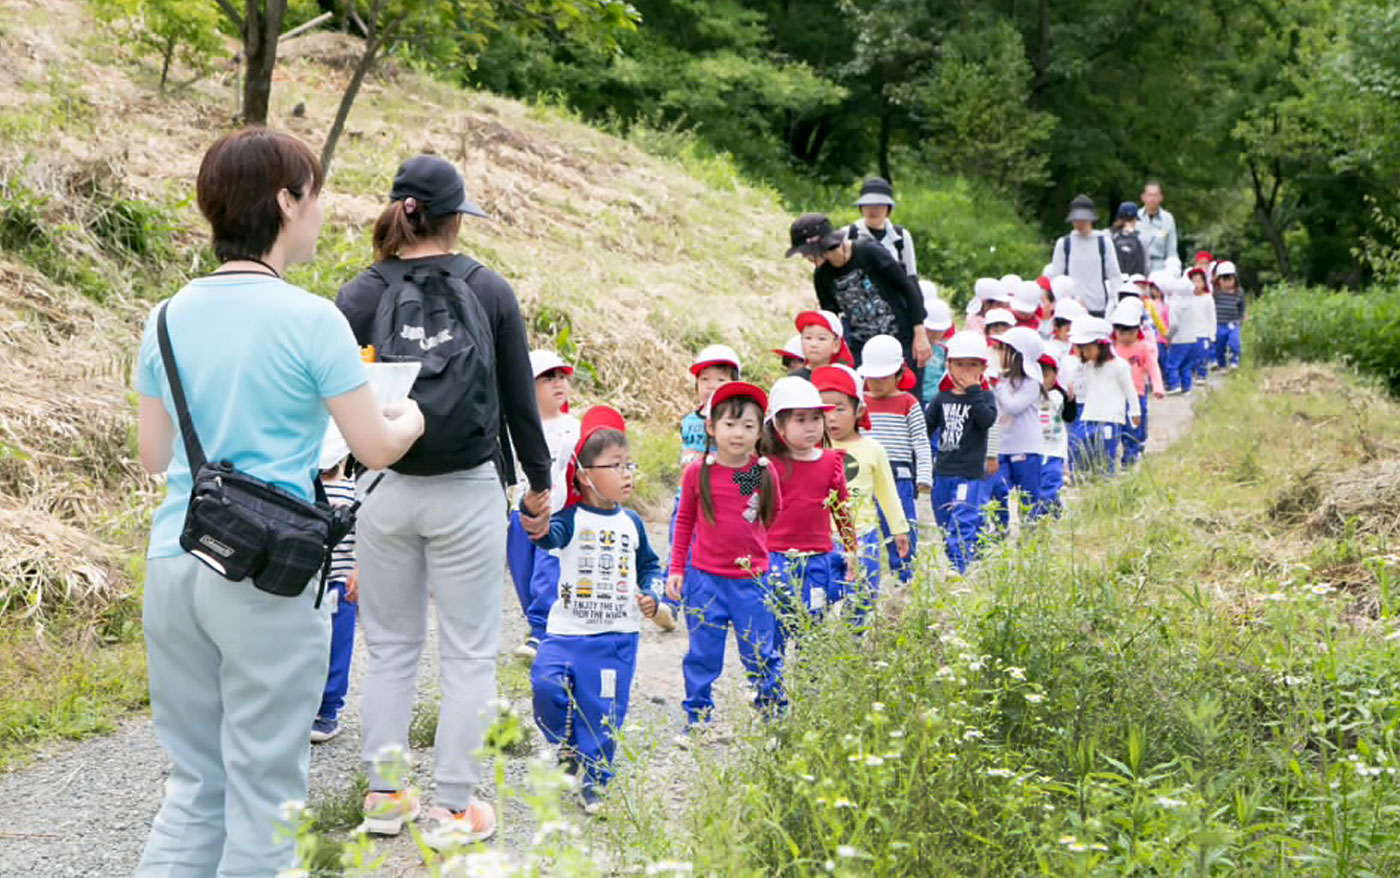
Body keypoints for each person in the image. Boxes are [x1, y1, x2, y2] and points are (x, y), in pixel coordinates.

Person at [134, 128, 424, 877]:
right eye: (315, 193)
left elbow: (154, 458)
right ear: (287, 200)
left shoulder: (164, 317)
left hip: (176, 558)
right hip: (268, 574)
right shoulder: (311, 319)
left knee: (196, 786)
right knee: (266, 794)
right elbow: (377, 445)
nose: (321, 210)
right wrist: (412, 414)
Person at [335, 154, 551, 846]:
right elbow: (522, 400)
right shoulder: (489, 290)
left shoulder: (360, 295)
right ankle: (455, 808)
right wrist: (539, 486)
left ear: (401, 212)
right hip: (467, 490)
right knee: (467, 651)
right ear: (456, 219)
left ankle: (384, 795)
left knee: (393, 647)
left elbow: (337, 407)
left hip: (384, 487)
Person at [530, 406, 664, 814]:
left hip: (615, 639)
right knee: (546, 687)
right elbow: (544, 536)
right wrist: (531, 514)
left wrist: (653, 595)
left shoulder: (634, 523)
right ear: (585, 476)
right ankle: (565, 743)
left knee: (604, 712)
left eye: (630, 465)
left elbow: (651, 566)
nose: (627, 473)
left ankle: (598, 779)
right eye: (616, 465)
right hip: (566, 633)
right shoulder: (571, 520)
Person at [667, 382, 785, 732]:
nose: (739, 433)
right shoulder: (699, 473)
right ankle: (698, 715)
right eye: (730, 425)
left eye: (749, 426)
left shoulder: (758, 471)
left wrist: (754, 545)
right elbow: (685, 522)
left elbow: (768, 511)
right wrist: (677, 570)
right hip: (705, 578)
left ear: (759, 430)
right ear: (711, 427)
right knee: (703, 653)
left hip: (751, 580)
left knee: (760, 650)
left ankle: (772, 713)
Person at [761, 376, 855, 654]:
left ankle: (809, 689)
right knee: (773, 628)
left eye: (816, 418)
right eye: (800, 420)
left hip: (817, 560)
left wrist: (851, 550)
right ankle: (771, 690)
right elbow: (740, 495)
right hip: (775, 558)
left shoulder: (830, 462)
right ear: (779, 425)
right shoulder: (766, 465)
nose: (811, 427)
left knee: (812, 629)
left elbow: (843, 509)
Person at [812, 365, 909, 622]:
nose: (831, 417)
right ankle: (813, 645)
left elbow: (887, 492)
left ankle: (854, 643)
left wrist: (899, 528)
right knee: (819, 595)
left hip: (863, 535)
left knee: (864, 595)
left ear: (859, 410)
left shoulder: (873, 449)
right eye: (823, 410)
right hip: (822, 538)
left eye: (840, 408)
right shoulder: (811, 449)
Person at [787, 212, 931, 377]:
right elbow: (831, 318)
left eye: (808, 252)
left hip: (901, 340)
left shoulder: (868, 251)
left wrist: (920, 334)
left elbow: (907, 287)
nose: (806, 257)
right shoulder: (822, 276)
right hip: (862, 350)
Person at [508, 350, 583, 660]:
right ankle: (539, 625)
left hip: (557, 512)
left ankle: (542, 631)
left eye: (562, 377)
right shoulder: (514, 426)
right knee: (521, 572)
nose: (558, 383)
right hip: (517, 512)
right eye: (547, 378)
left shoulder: (574, 427)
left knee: (547, 572)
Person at [665, 345, 742, 623]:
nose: (711, 386)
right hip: (686, 495)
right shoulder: (689, 420)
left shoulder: (739, 425)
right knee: (679, 544)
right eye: (705, 380)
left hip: (723, 501)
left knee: (724, 551)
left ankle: (725, 602)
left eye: (720, 380)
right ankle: (669, 603)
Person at [858, 335, 931, 585]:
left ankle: (905, 579)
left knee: (900, 528)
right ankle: (865, 580)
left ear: (899, 373)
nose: (877, 383)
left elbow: (921, 441)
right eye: (873, 377)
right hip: (865, 475)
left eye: (883, 376)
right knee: (864, 528)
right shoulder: (860, 403)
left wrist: (923, 475)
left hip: (899, 475)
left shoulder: (908, 403)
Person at [926, 331, 997, 574]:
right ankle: (970, 559)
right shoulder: (940, 398)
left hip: (969, 473)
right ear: (949, 366)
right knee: (945, 524)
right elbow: (926, 429)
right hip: (943, 471)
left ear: (983, 367)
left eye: (973, 365)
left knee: (964, 519)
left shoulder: (985, 396)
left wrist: (975, 392)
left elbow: (987, 420)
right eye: (959, 365)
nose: (966, 371)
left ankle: (961, 569)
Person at [311, 452, 360, 744]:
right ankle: (303, 707)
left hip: (339, 584)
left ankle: (328, 710)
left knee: (337, 648)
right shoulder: (305, 486)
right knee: (304, 648)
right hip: (306, 583)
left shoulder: (353, 489)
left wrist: (359, 567)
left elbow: (366, 531)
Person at [990, 327, 1046, 528]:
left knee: (1028, 496)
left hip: (1026, 448)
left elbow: (1013, 407)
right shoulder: (1001, 379)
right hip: (1002, 447)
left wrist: (998, 386)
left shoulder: (1031, 383)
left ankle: (1031, 533)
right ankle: (1000, 529)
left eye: (1004, 349)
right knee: (997, 489)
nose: (1000, 353)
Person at [1070, 317, 1140, 475]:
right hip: (1090, 416)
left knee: (1106, 452)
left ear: (1101, 346)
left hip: (1110, 417)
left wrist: (1135, 411)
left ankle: (1106, 478)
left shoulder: (1119, 366)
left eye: (1088, 349)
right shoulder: (1086, 367)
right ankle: (1085, 475)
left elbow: (1130, 390)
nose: (1085, 354)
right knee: (1085, 447)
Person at [1110, 300, 1165, 467]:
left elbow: (1153, 368)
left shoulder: (1143, 348)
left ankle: (1131, 456)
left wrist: (1158, 387)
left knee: (1134, 427)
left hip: (1137, 393)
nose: (1126, 336)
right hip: (1115, 396)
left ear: (1137, 330)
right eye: (1122, 332)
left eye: (1130, 332)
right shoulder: (1111, 349)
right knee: (1117, 429)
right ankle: (1117, 456)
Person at [1048, 195, 1121, 317]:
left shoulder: (1103, 243)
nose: (1079, 223)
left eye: (1083, 219)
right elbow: (1056, 278)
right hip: (1070, 309)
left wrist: (1114, 304)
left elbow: (1114, 276)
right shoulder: (1064, 244)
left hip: (1098, 308)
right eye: (1076, 220)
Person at [847, 177, 918, 286]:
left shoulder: (901, 236)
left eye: (879, 205)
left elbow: (911, 275)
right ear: (861, 208)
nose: (873, 210)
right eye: (868, 205)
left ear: (888, 209)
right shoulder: (848, 234)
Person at [1036, 353, 1078, 516]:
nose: (1042, 381)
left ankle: (1052, 515)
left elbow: (1069, 417)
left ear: (1055, 375)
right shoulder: (1029, 396)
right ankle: (1042, 514)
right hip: (1034, 450)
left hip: (1054, 451)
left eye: (1046, 375)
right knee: (1036, 488)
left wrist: (1071, 399)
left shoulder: (1058, 395)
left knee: (1050, 484)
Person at [1162, 274, 1198, 395]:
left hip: (1179, 339)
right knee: (1187, 365)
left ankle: (1174, 384)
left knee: (1173, 363)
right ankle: (1187, 387)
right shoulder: (1193, 303)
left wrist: (1168, 336)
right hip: (1192, 339)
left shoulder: (1175, 304)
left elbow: (1174, 325)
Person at [919, 290, 955, 408]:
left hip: (937, 398)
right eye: (930, 330)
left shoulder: (943, 349)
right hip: (918, 396)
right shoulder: (915, 346)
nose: (934, 335)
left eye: (939, 332)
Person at [794, 309, 853, 379]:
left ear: (836, 345)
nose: (813, 344)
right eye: (808, 338)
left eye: (821, 339)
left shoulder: (844, 377)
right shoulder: (794, 379)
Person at [1139, 181, 1180, 274]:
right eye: (1149, 195)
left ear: (1161, 198)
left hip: (1159, 267)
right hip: (1139, 266)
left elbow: (1172, 250)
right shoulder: (1136, 218)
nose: (1152, 199)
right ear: (1143, 197)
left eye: (1155, 195)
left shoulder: (1168, 219)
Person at [1212, 261, 1245, 369]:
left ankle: (1234, 361)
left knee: (1235, 342)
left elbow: (1242, 307)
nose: (1227, 282)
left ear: (1235, 279)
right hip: (1219, 324)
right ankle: (1221, 364)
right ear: (1218, 280)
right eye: (1224, 279)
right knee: (1219, 345)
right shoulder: (1215, 293)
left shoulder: (1239, 292)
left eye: (1229, 279)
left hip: (1233, 323)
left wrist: (1240, 319)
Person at [1190, 266, 1217, 382]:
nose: (1196, 284)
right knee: (1192, 355)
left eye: (1199, 281)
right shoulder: (1187, 298)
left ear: (1204, 283)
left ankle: (1202, 374)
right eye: (1193, 281)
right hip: (1190, 333)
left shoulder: (1207, 298)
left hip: (1203, 332)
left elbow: (1212, 316)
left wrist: (1212, 334)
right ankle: (1192, 374)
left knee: (1202, 355)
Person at [1112, 202, 1148, 277]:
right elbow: (1146, 264)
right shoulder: (1142, 237)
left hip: (1117, 281)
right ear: (1135, 219)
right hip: (1136, 282)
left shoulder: (1110, 236)